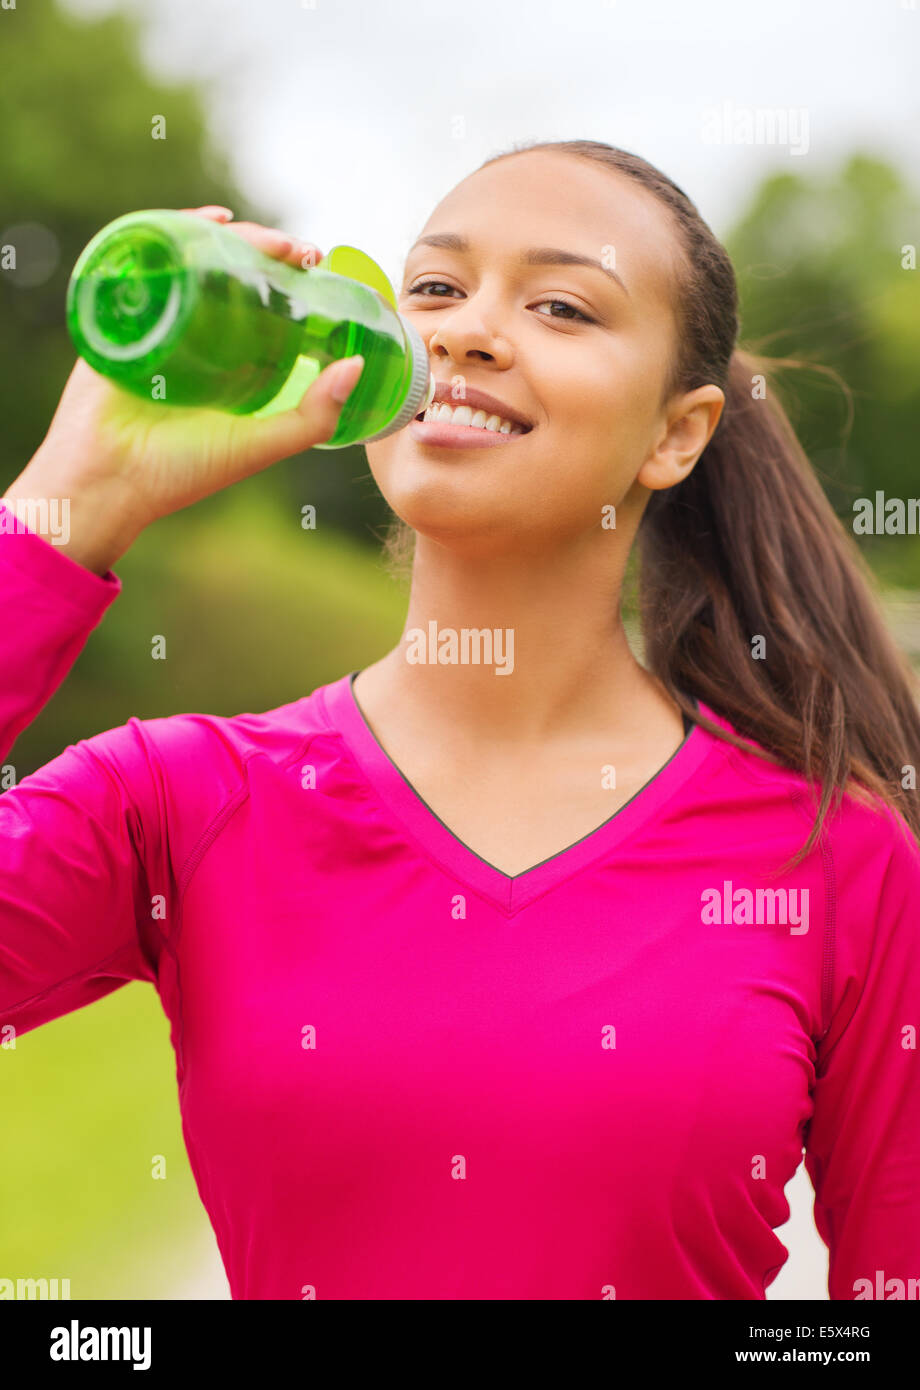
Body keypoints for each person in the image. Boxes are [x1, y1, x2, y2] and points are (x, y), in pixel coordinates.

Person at [2, 139, 919, 1301]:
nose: (463, 330)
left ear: (673, 434)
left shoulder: (829, 855)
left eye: (558, 304)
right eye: (433, 288)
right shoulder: (177, 801)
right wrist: (74, 499)